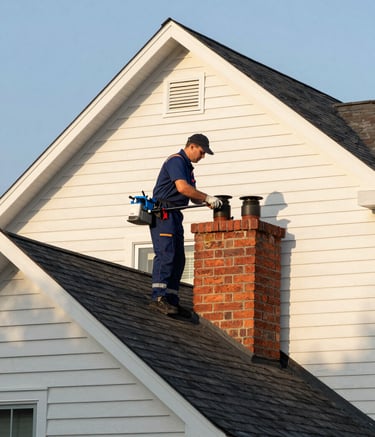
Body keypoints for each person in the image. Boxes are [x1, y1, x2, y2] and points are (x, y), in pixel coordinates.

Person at [149, 134, 222, 315]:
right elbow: (182, 188)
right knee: (166, 254)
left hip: (174, 213)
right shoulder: (176, 161)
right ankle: (159, 296)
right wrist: (206, 197)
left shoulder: (187, 167)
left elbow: (191, 194)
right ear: (192, 146)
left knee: (179, 258)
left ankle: (172, 298)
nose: (203, 156)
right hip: (164, 213)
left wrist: (206, 200)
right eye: (202, 152)